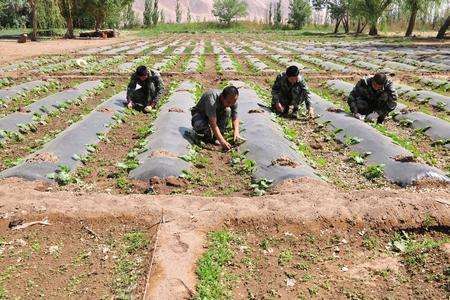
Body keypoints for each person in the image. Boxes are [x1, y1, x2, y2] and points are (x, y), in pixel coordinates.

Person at [191, 86, 242, 151]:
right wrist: (223, 141)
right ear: (222, 97)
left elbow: (235, 117)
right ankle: (207, 139)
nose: (231, 104)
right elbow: (213, 124)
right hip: (201, 114)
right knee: (199, 124)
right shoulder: (212, 98)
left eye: (233, 102)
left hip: (216, 114)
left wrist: (236, 132)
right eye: (228, 102)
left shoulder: (232, 100)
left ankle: (217, 138)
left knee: (227, 111)